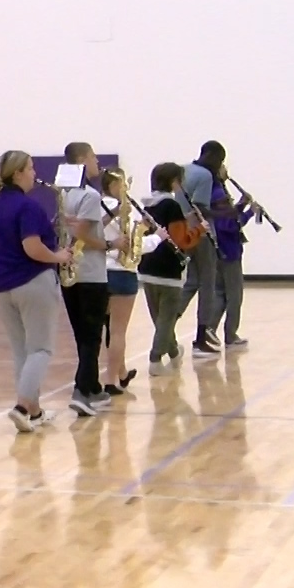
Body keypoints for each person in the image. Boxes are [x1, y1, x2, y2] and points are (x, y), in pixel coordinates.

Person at [0, 151, 73, 433]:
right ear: (18, 173)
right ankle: (22, 406)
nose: (35, 173)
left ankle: (34, 412)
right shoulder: (28, 206)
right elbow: (32, 247)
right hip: (32, 281)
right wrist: (60, 256)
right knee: (41, 348)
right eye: (31, 168)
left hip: (1, 285)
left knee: (22, 350)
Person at [59, 143, 113, 417]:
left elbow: (71, 228)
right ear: (81, 160)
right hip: (91, 273)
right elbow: (83, 235)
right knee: (92, 335)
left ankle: (93, 386)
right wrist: (111, 244)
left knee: (82, 334)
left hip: (69, 275)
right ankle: (81, 391)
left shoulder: (64, 194)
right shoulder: (90, 195)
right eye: (93, 156)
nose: (97, 161)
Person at [137, 163, 191, 371]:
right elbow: (181, 240)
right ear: (174, 182)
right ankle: (155, 359)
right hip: (169, 269)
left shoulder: (146, 206)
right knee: (166, 319)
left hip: (147, 267)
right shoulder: (172, 206)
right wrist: (199, 231)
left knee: (160, 319)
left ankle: (174, 352)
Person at [179, 140, 228, 357]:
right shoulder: (206, 176)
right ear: (213, 157)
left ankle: (168, 322)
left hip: (181, 231)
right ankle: (200, 339)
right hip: (200, 234)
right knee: (207, 284)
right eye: (220, 160)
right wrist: (226, 213)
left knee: (191, 282)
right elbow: (200, 208)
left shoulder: (184, 170)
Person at [99, 167, 144, 397]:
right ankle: (110, 379)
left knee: (108, 327)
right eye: (122, 183)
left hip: (99, 273)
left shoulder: (96, 205)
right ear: (114, 186)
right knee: (118, 332)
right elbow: (138, 246)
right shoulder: (129, 210)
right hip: (123, 273)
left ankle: (122, 372)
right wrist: (158, 237)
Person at [211, 164, 257, 349]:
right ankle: (231, 336)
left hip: (218, 250)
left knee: (220, 294)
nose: (226, 170)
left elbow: (227, 217)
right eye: (222, 166)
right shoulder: (218, 194)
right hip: (229, 251)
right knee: (234, 295)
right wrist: (249, 214)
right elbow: (229, 225)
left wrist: (241, 204)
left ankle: (209, 332)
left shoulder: (215, 192)